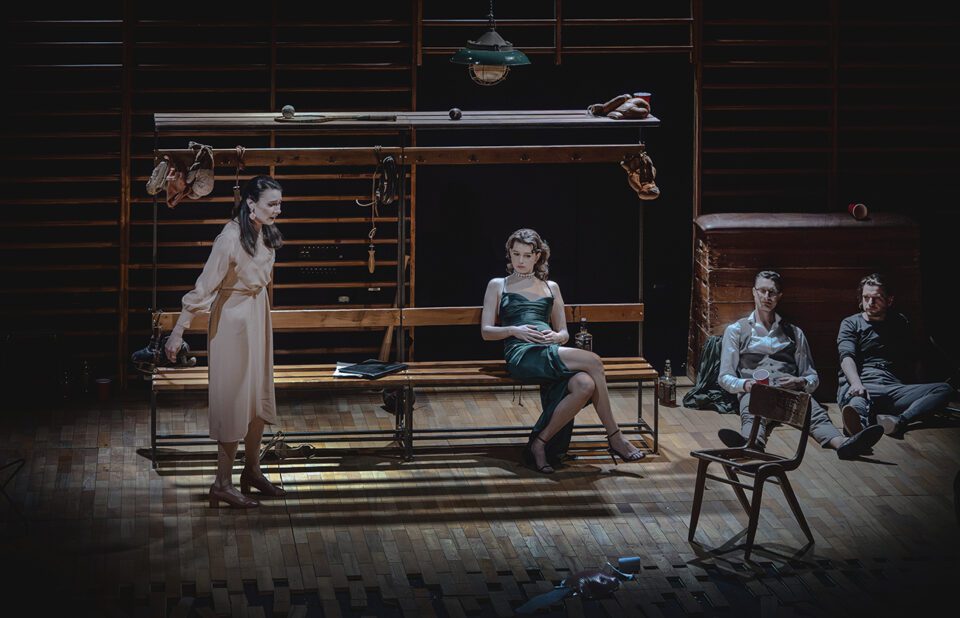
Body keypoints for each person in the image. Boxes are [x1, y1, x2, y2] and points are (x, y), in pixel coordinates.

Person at [164, 175, 287, 508]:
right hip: (233, 320)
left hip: (257, 314)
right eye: (272, 204)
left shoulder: (266, 233)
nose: (277, 210)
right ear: (251, 204)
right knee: (233, 400)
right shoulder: (229, 238)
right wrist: (179, 330)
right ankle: (221, 483)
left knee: (257, 397)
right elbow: (204, 287)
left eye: (279, 203)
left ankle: (252, 471)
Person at [480, 228, 645, 474]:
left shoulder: (551, 287)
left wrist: (557, 336)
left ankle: (540, 443)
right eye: (516, 254)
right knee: (593, 361)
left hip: (549, 349)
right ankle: (615, 436)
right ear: (509, 254)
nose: (521, 260)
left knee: (585, 384)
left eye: (527, 255)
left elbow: (564, 332)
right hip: (522, 353)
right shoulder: (498, 285)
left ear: (537, 256)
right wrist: (514, 330)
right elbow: (486, 331)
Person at [718, 270, 883, 459]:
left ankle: (843, 445)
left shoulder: (795, 333)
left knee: (815, 413)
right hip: (756, 393)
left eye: (772, 292)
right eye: (762, 291)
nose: (766, 297)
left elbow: (812, 377)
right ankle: (750, 444)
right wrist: (746, 385)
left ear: (779, 296)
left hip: (789, 394)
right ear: (754, 292)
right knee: (752, 412)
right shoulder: (736, 330)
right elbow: (724, 377)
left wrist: (800, 382)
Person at [837, 273, 954, 439]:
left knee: (944, 389)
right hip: (863, 384)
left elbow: (913, 357)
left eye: (876, 298)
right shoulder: (851, 323)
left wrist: (916, 388)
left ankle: (898, 421)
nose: (870, 303)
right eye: (866, 297)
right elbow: (846, 357)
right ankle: (859, 429)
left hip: (893, 388)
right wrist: (856, 383)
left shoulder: (899, 322)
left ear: (889, 300)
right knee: (857, 402)